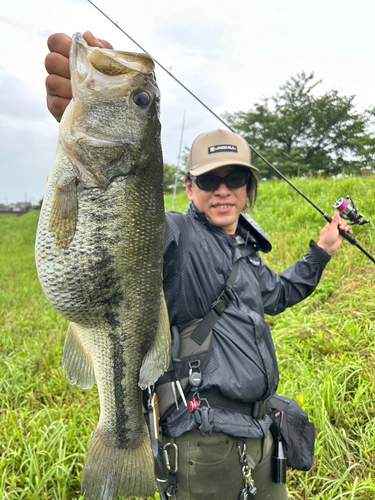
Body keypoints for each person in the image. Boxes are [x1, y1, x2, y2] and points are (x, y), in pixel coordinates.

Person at [45, 32, 353, 500]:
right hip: (202, 446)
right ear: (189, 189)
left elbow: (278, 295)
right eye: (210, 180)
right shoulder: (178, 236)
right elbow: (128, 218)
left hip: (262, 439)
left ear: (249, 188)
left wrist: (322, 251)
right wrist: (88, 121)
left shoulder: (246, 254)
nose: (223, 189)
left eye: (235, 179)